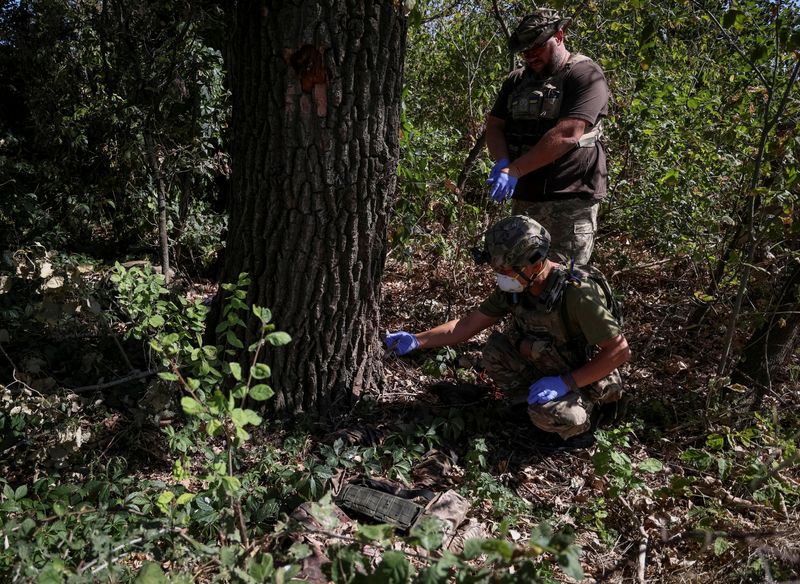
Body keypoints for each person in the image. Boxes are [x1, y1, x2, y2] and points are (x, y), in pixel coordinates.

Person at [384, 215, 630, 444]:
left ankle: (585, 421)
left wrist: (566, 382)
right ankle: (528, 406)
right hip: (546, 363)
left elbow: (619, 351)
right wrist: (417, 340)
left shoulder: (577, 294)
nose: (501, 277)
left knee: (557, 416)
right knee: (495, 352)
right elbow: (467, 325)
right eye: (497, 270)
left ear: (535, 265)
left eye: (506, 271)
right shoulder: (517, 287)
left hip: (583, 377)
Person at [485, 8, 609, 265]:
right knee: (521, 278)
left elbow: (568, 133)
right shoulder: (516, 80)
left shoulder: (584, 74)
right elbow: (495, 125)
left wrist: (515, 170)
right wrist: (502, 163)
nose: (530, 55)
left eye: (537, 46)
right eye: (525, 50)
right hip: (525, 198)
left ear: (559, 36)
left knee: (563, 284)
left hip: (569, 200)